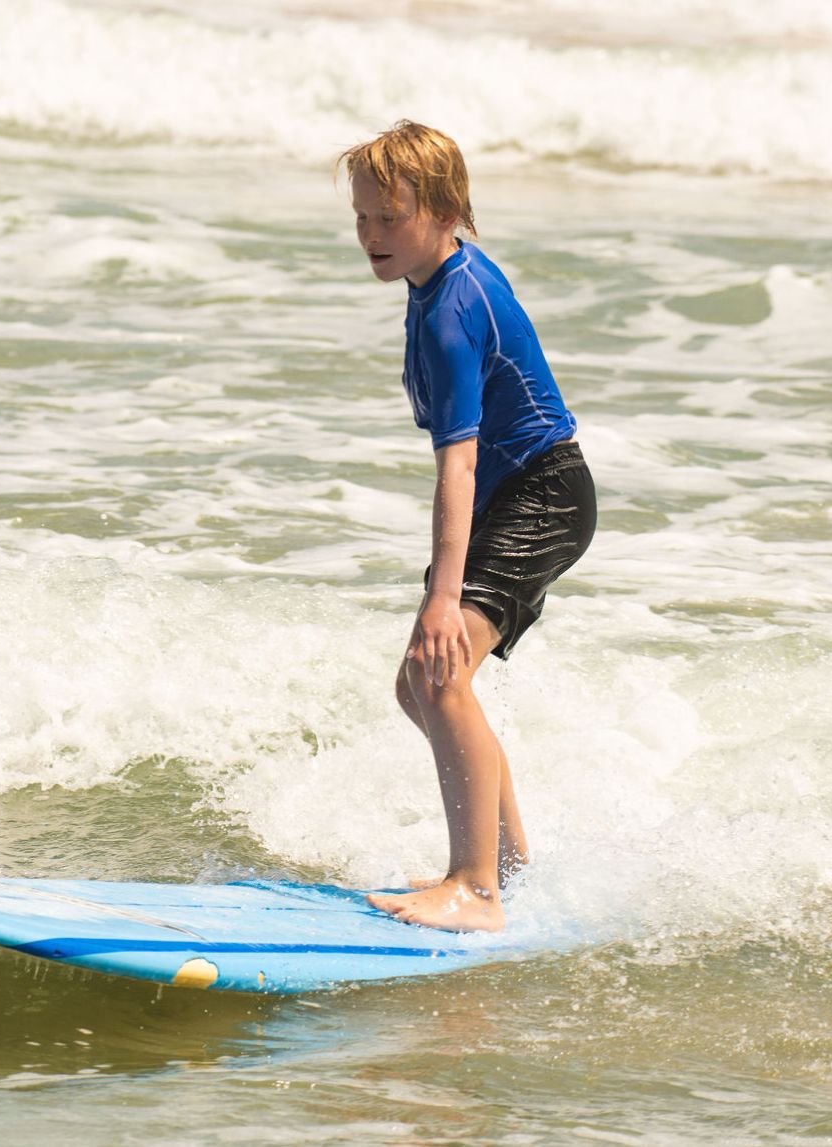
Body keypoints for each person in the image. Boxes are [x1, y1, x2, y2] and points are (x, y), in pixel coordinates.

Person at [340, 121, 597, 932]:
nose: (372, 235)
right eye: (362, 217)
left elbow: (457, 465)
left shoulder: (454, 309)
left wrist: (443, 598)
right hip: (513, 495)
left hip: (541, 496)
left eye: (391, 216)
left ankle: (476, 886)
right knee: (420, 683)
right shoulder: (436, 281)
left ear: (446, 210)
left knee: (441, 673)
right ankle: (509, 867)